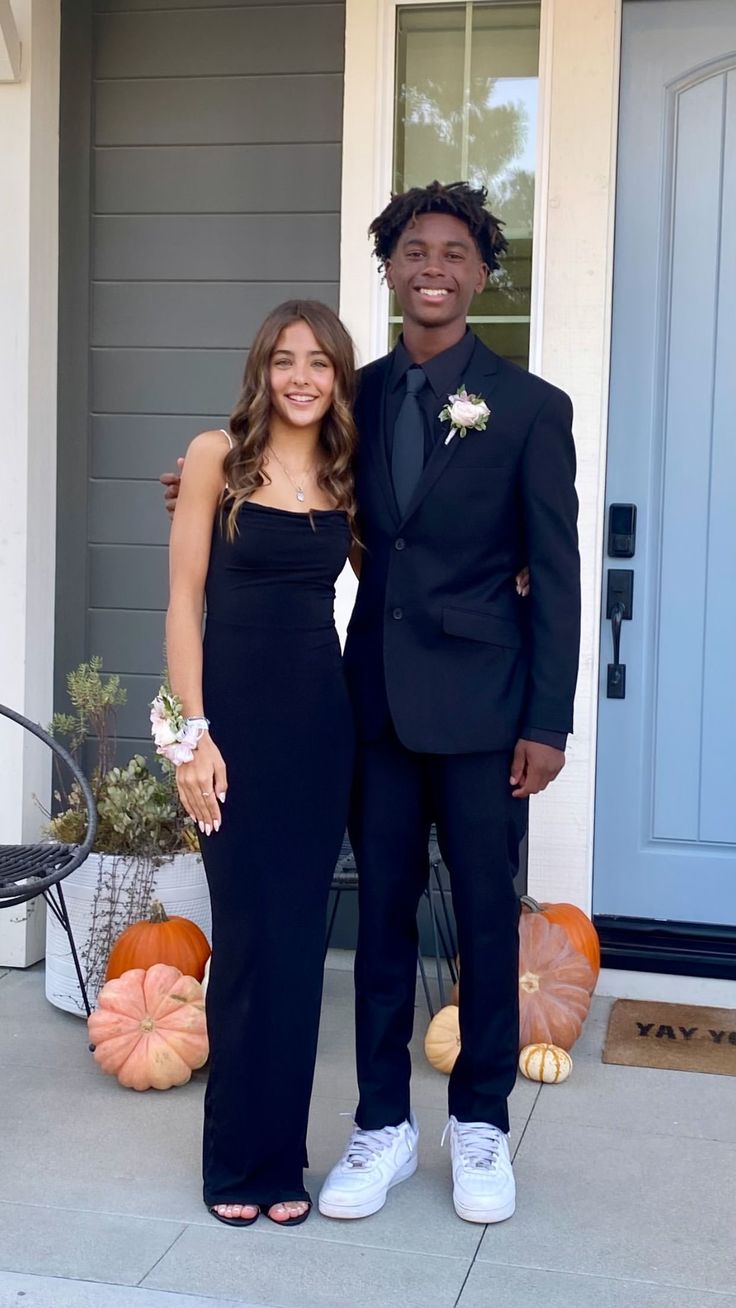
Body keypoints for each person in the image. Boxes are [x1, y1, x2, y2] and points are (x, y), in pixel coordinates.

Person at [162, 180, 580, 1226]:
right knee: (381, 919)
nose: (432, 267)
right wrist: (198, 488)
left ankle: (479, 1121)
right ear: (388, 269)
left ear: (482, 274)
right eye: (412, 252)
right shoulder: (356, 397)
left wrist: (547, 718)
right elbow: (279, 489)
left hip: (486, 716)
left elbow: (555, 572)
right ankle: (382, 1124)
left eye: (454, 253)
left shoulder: (530, 408)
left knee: (486, 918)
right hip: (367, 714)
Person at [164, 300, 357, 1227]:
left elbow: (419, 558)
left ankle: (285, 1163)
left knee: (296, 952)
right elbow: (180, 602)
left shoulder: (347, 475)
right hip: (231, 735)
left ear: (338, 376)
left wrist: (512, 572)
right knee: (243, 944)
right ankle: (232, 1164)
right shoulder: (215, 458)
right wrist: (190, 735)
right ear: (262, 370)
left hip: (321, 731)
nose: (302, 378)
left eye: (319, 363)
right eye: (285, 360)